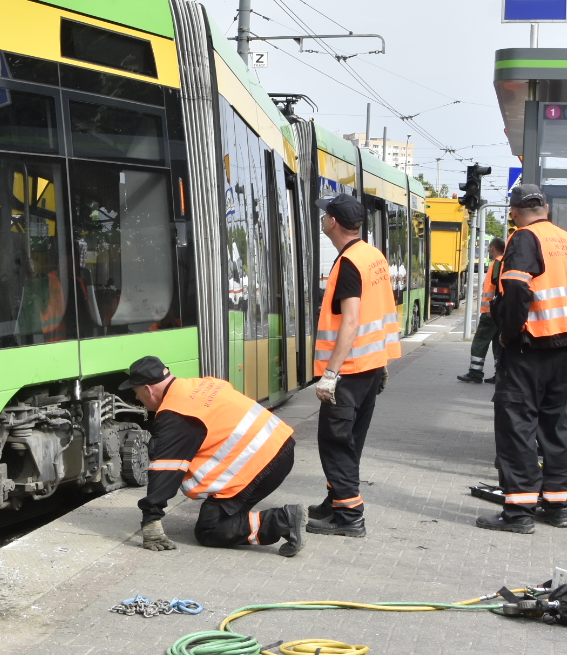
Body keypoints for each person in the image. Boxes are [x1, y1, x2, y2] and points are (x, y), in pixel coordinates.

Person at [478, 184, 567, 533]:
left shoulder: (524, 238)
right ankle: (557, 506)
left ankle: (518, 513)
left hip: (530, 346)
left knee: (517, 426)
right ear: (546, 207)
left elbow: (517, 286)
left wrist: (509, 331)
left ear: (515, 211)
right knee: (555, 426)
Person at [123, 355, 307, 556]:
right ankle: (280, 520)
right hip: (280, 446)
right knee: (223, 513)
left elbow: (165, 471)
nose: (138, 399)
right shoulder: (203, 383)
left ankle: (284, 520)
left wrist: (151, 519)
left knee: (209, 530)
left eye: (137, 393)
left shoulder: (175, 414)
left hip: (260, 464)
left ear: (148, 389)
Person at [307, 193, 400, 538]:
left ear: (333, 222)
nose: (322, 219)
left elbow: (350, 322)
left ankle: (349, 516)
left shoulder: (348, 263)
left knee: (336, 441)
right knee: (351, 439)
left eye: (324, 215)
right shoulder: (372, 255)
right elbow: (382, 311)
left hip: (348, 371)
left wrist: (330, 374)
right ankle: (336, 500)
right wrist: (382, 361)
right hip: (369, 367)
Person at [458, 237, 506, 384]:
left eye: (489, 249)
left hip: (491, 312)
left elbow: (495, 287)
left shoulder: (497, 263)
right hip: (500, 312)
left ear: (492, 248)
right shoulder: (506, 262)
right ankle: (500, 374)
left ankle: (475, 373)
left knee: (480, 342)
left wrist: (490, 309)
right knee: (499, 345)